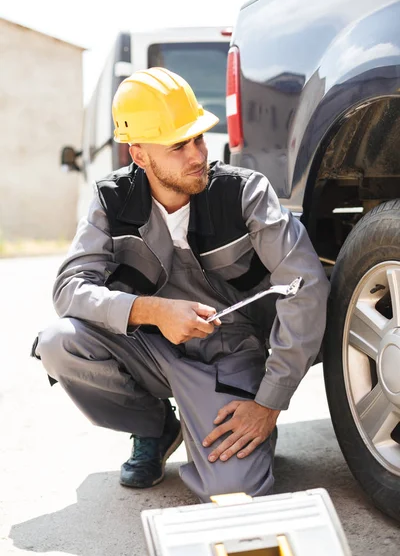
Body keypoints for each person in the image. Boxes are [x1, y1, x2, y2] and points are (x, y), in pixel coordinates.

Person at [36, 67, 330, 503]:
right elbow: (69, 288)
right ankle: (155, 429)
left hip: (228, 354)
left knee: (232, 489)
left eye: (198, 138)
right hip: (150, 348)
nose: (197, 155)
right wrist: (151, 311)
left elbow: (304, 285)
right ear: (139, 155)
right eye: (178, 146)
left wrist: (268, 403)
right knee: (60, 341)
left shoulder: (244, 193)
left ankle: (236, 429)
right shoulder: (111, 202)